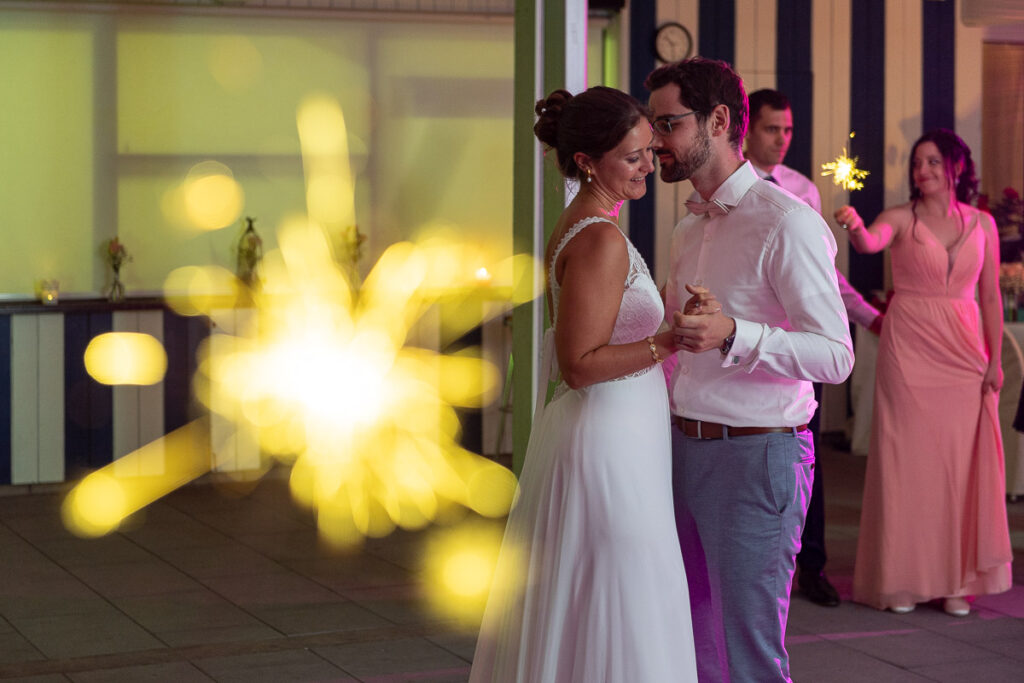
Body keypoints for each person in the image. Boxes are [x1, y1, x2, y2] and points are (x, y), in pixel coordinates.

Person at [469, 86, 698, 682]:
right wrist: (668, 339)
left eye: (649, 148)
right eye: (632, 156)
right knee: (623, 594)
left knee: (606, 593)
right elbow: (579, 363)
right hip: (608, 442)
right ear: (587, 163)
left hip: (618, 433)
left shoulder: (589, 225)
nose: (650, 163)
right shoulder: (598, 238)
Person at [647, 57, 854, 683]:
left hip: (758, 456)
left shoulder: (787, 222)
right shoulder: (686, 227)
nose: (655, 141)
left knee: (748, 653)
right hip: (684, 448)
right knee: (694, 640)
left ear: (717, 121)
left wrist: (739, 332)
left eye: (668, 124)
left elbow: (836, 355)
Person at [835, 129, 1013, 617]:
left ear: (956, 167)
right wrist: (853, 226)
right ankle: (904, 579)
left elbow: (991, 296)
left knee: (958, 468)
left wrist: (994, 359)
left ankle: (956, 581)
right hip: (910, 349)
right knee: (907, 464)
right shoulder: (898, 217)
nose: (922, 171)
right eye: (918, 163)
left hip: (964, 352)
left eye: (933, 162)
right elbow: (871, 244)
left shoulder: (984, 224)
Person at [745, 88, 884, 608]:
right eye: (770, 129)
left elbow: (823, 278)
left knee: (809, 459)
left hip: (801, 340)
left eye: (787, 130)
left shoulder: (803, 189)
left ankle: (814, 565)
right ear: (746, 129)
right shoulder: (726, 187)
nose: (781, 139)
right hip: (745, 340)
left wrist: (869, 318)